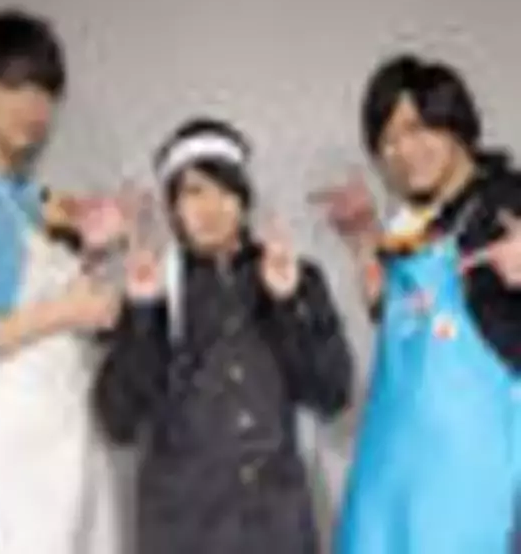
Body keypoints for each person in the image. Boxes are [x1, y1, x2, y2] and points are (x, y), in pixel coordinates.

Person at [93, 117, 354, 554]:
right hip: (183, 531)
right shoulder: (151, 285)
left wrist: (288, 303)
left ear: (244, 197)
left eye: (225, 189)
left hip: (277, 529)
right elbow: (118, 420)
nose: (211, 208)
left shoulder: (293, 274)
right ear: (172, 205)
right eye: (194, 191)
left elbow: (332, 393)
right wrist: (143, 314)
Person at [0, 9, 128, 554]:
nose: (37, 107)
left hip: (55, 461)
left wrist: (98, 265)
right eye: (16, 86)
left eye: (46, 90)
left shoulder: (24, 203)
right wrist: (60, 314)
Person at [312, 54, 521, 553]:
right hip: (397, 480)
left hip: (474, 492)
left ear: (455, 122)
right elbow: (399, 321)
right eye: (386, 142)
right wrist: (364, 240)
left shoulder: (508, 202)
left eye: (415, 128)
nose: (402, 152)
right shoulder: (416, 222)